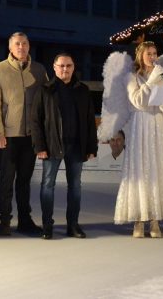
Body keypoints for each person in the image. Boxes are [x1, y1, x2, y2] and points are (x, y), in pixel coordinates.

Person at [114, 41, 163, 238]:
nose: (152, 57)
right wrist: (153, 82)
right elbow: (137, 101)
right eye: (148, 53)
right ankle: (138, 219)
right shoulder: (131, 77)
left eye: (154, 53)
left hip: (158, 125)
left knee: (156, 169)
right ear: (141, 55)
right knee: (140, 169)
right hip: (140, 126)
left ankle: (154, 219)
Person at [30, 52, 97, 240]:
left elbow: (90, 121)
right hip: (51, 146)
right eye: (61, 66)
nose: (65, 69)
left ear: (74, 67)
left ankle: (73, 225)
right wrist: (39, 146)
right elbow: (35, 121)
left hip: (76, 146)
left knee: (75, 186)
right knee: (47, 185)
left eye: (68, 66)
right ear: (54, 67)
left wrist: (92, 147)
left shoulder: (82, 90)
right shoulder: (45, 90)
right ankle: (47, 225)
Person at [0, 32, 48, 236]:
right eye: (17, 44)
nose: (21, 47)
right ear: (10, 47)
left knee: (24, 181)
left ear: (29, 46)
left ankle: (25, 220)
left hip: (30, 136)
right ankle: (5, 220)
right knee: (6, 180)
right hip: (8, 136)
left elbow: (46, 104)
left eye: (24, 43)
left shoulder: (39, 70)